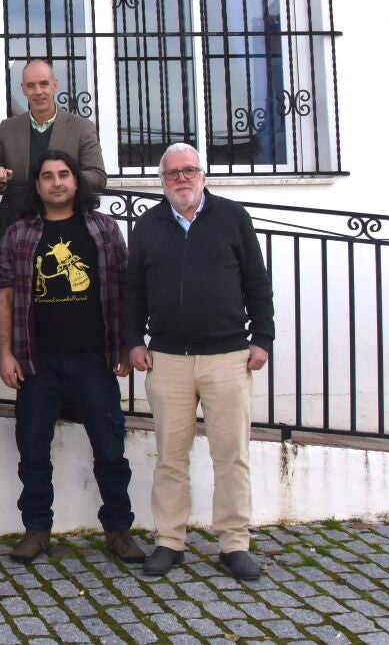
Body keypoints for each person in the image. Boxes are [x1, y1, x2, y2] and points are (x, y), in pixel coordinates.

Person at [125, 143, 274, 581]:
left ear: (203, 175)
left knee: (231, 455)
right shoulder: (147, 225)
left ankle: (234, 544)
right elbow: (133, 290)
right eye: (172, 173)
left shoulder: (232, 217)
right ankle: (169, 541)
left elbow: (256, 281)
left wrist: (262, 338)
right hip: (168, 358)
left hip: (227, 357)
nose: (181, 179)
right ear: (162, 181)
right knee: (170, 457)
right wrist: (133, 340)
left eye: (188, 170)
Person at [0, 150, 145, 566]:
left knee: (110, 450)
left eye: (64, 174)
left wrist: (126, 345)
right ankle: (36, 530)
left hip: (93, 359)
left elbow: (125, 288)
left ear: (77, 181)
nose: (56, 182)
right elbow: (4, 296)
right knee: (32, 451)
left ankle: (118, 530)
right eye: (47, 176)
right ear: (37, 185)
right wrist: (5, 353)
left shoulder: (104, 229)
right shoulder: (19, 234)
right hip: (37, 362)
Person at [0, 59, 107, 250]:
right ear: (23, 89)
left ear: (54, 85)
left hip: (67, 232)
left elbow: (98, 176)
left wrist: (64, 179)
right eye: (31, 86)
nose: (38, 91)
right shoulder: (7, 129)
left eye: (44, 84)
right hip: (16, 233)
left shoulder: (82, 128)